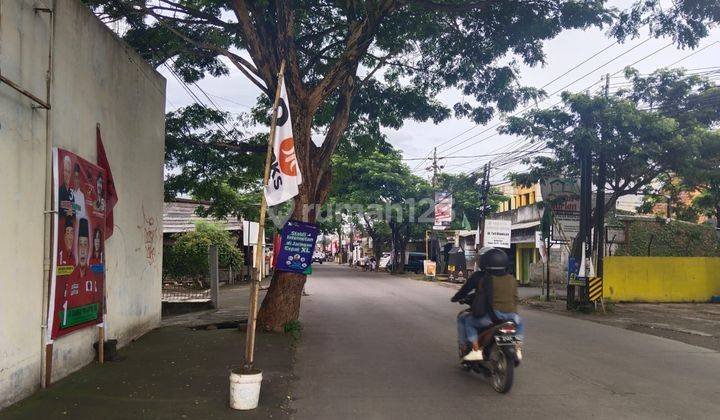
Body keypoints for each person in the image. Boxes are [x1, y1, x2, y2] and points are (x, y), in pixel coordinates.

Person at [451, 247, 523, 362]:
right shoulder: (511, 279)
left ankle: (472, 349)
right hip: (511, 316)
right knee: (519, 323)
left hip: (491, 316)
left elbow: (470, 292)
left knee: (467, 320)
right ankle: (517, 348)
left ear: (484, 261)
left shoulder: (482, 278)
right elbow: (515, 298)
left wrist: (455, 298)